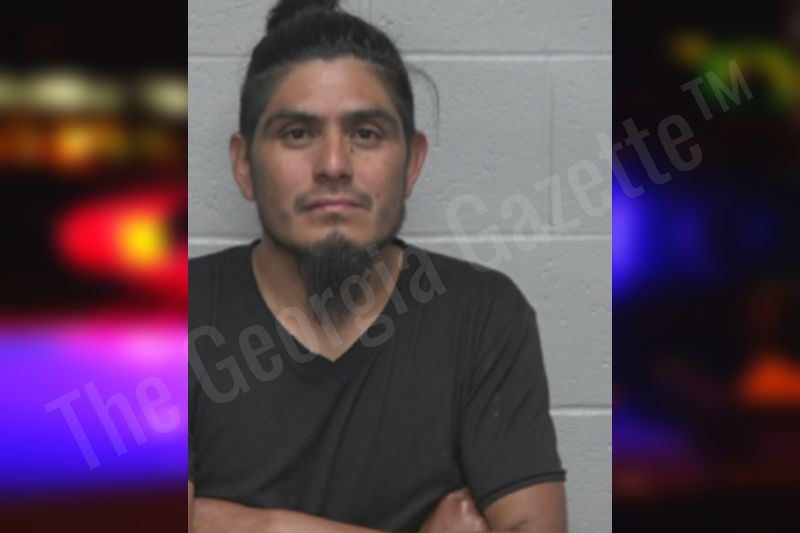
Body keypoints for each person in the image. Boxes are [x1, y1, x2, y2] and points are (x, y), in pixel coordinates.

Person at [188, 1, 567, 531]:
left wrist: (215, 519)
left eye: (366, 133)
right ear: (244, 164)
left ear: (412, 162)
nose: (334, 165)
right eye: (297, 133)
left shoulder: (482, 317)